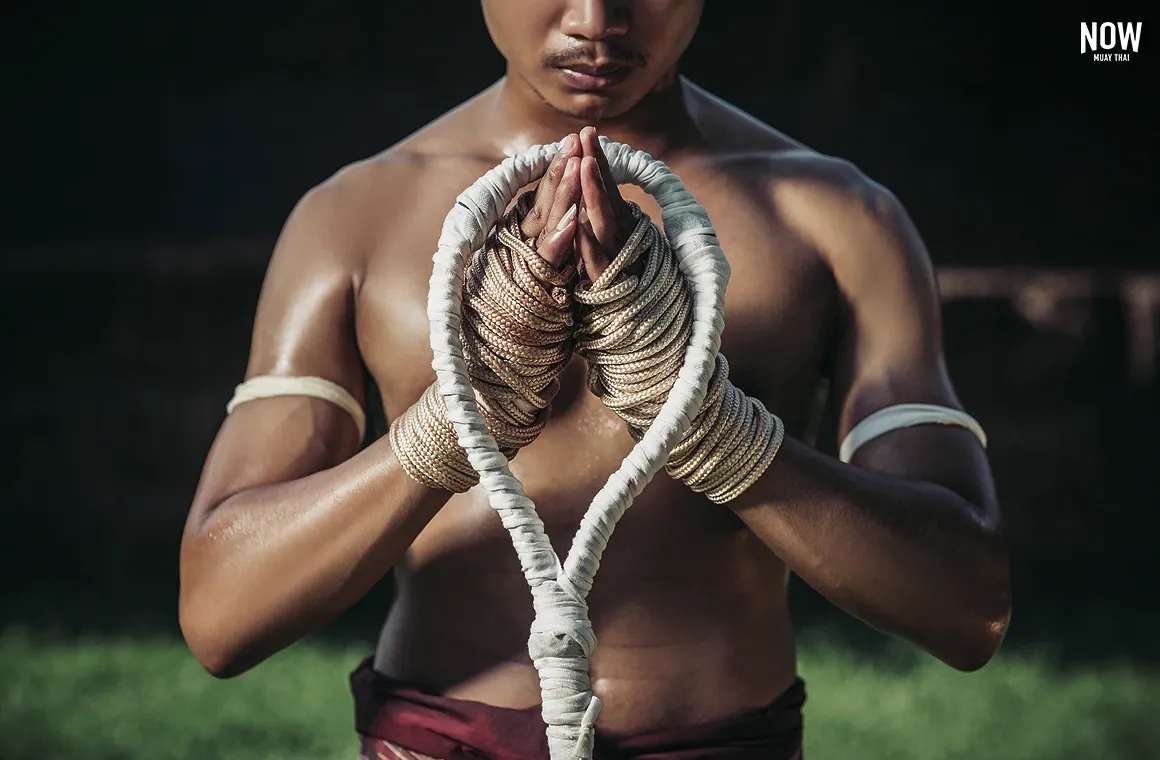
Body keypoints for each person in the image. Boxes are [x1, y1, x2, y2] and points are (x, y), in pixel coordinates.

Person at [178, 2, 1012, 758]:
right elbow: (222, 615)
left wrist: (708, 429)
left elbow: (968, 608)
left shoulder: (835, 216)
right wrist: (462, 418)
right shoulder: (354, 216)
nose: (595, 18)